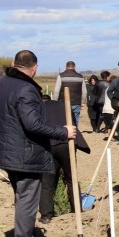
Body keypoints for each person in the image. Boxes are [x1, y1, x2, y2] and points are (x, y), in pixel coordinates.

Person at [0, 50, 79, 237]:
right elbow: (32, 124)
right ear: (34, 68)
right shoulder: (26, 89)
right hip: (25, 154)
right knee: (27, 200)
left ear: (14, 63)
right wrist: (64, 131)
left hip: (5, 152)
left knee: (21, 197)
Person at [39, 92, 91, 221]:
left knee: (47, 182)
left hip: (48, 145)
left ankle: (46, 215)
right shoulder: (62, 105)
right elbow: (73, 123)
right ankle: (77, 209)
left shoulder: (38, 107)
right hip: (67, 143)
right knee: (71, 178)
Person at [51, 61, 85, 126]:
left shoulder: (61, 76)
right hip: (76, 103)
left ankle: (65, 134)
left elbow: (56, 91)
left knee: (63, 120)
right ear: (74, 67)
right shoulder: (80, 77)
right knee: (75, 121)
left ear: (66, 67)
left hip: (62, 103)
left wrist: (54, 102)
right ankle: (75, 135)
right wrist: (83, 102)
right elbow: (84, 92)